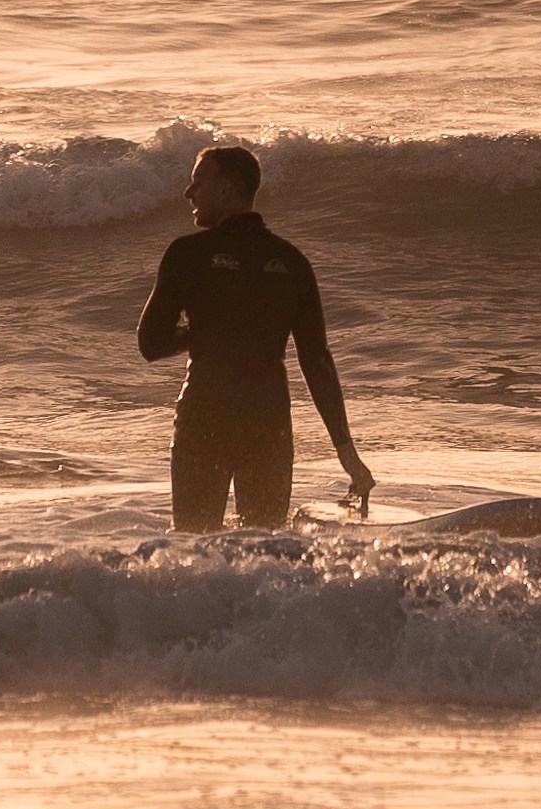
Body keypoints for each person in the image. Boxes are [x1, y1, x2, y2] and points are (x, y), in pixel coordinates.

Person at [139, 142, 369, 529]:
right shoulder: (293, 262)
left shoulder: (187, 254)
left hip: (205, 418)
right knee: (264, 548)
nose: (188, 192)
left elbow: (150, 343)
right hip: (267, 421)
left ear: (226, 190)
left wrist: (201, 332)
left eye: (198, 182)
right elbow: (317, 361)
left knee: (194, 544)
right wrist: (346, 452)